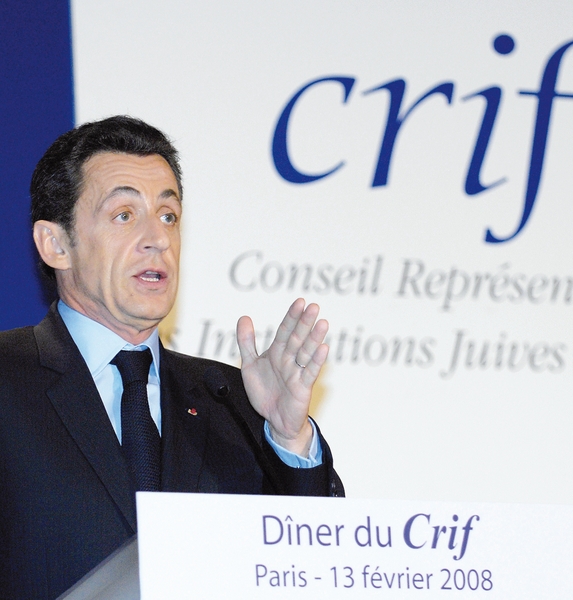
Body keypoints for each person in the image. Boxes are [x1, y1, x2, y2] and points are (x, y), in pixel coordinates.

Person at [0, 116, 343, 599]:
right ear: (56, 245)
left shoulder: (236, 401)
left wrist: (288, 437)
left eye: (168, 216)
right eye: (124, 215)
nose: (158, 239)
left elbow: (317, 568)